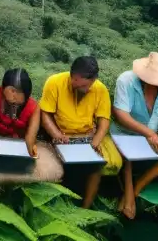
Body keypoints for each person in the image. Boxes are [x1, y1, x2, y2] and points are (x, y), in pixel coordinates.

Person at [39, 56, 122, 209]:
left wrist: (96, 142)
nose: (79, 87)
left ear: (93, 80)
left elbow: (104, 121)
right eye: (75, 82)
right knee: (60, 168)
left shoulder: (100, 89)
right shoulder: (55, 82)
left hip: (86, 137)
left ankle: (85, 208)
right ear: (71, 75)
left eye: (84, 85)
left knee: (95, 166)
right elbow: (45, 114)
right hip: (60, 135)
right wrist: (55, 134)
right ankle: (57, 205)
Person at [111, 52, 158, 219]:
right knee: (128, 158)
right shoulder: (126, 80)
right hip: (126, 133)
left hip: (154, 137)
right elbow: (121, 115)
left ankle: (135, 191)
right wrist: (150, 134)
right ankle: (129, 193)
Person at [0, 68, 40, 158]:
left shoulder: (33, 107)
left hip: (18, 144)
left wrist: (29, 151)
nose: (13, 97)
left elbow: (31, 135)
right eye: (12, 91)